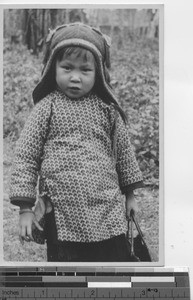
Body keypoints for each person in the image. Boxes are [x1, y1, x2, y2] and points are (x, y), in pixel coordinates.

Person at [9, 22, 143, 262]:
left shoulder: (107, 111)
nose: (75, 78)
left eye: (85, 70)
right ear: (53, 68)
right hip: (63, 212)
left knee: (112, 266)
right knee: (68, 273)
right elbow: (26, 157)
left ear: (99, 72)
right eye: (67, 68)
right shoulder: (46, 108)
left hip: (107, 209)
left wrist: (130, 196)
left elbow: (123, 153)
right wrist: (26, 209)